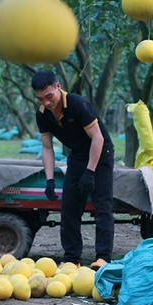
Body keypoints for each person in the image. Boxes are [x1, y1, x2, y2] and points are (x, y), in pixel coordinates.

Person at [31, 70, 115, 268]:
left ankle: (103, 258)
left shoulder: (78, 104)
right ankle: (71, 259)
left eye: (49, 96)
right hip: (77, 155)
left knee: (102, 206)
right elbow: (47, 147)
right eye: (40, 99)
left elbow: (98, 138)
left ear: (58, 86)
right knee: (69, 208)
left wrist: (91, 172)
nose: (46, 103)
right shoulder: (42, 114)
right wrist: (50, 179)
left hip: (101, 153)